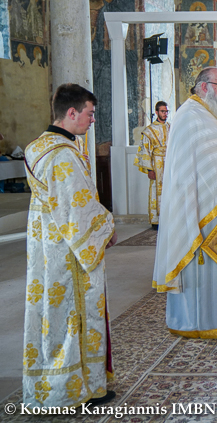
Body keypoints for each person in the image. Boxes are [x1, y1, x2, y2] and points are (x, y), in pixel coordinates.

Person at [23, 84, 117, 408]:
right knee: (74, 314)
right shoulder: (62, 155)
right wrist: (107, 228)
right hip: (69, 250)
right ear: (72, 113)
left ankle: (50, 385)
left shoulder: (39, 146)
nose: (93, 120)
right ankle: (79, 387)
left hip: (45, 243)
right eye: (89, 114)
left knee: (51, 312)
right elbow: (79, 209)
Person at [153, 67, 217, 338]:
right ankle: (202, 320)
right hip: (202, 209)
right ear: (204, 86)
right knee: (206, 265)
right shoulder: (189, 115)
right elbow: (186, 169)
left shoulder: (209, 114)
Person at [134, 101, 170, 229]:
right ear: (156, 112)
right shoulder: (149, 131)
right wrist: (149, 169)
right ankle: (156, 220)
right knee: (156, 189)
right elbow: (145, 150)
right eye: (162, 111)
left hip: (170, 162)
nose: (165, 114)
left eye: (166, 111)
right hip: (156, 162)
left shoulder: (171, 128)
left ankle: (170, 218)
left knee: (170, 189)